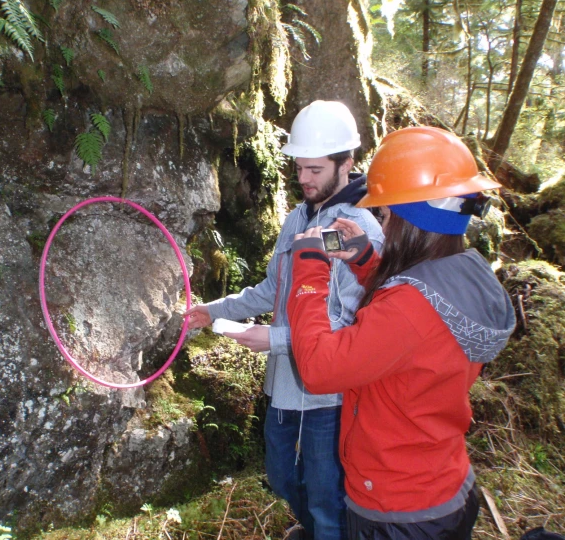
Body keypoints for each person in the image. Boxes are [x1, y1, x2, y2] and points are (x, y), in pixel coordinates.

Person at [286, 126, 516, 539]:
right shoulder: (462, 272)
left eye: (387, 214)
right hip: (442, 484)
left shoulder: (411, 309)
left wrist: (309, 272)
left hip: (396, 510)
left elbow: (320, 368)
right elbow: (418, 326)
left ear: (413, 219)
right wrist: (367, 259)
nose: (382, 223)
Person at [185, 100, 384, 540]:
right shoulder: (297, 218)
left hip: (329, 395)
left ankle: (324, 530)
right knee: (279, 475)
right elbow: (272, 289)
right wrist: (211, 312)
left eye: (314, 169)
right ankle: (313, 530)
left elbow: (349, 327)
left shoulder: (359, 230)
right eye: (298, 169)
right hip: (283, 384)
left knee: (326, 493)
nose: (303, 179)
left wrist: (275, 339)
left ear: (347, 162)